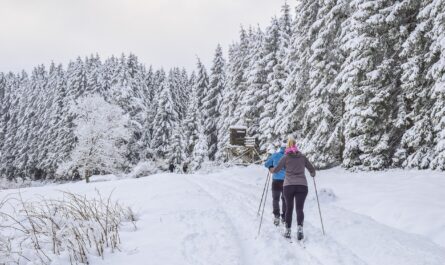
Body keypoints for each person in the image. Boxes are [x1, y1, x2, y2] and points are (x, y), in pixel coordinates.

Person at [271, 136, 316, 240]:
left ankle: (288, 231)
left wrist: (271, 169)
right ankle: (300, 228)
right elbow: (312, 169)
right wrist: (312, 174)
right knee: (300, 209)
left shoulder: (285, 157)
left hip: (288, 186)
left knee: (289, 208)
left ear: (287, 147)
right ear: (296, 146)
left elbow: (277, 169)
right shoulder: (302, 157)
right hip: (302, 186)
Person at [264, 141, 287, 226]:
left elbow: (266, 164)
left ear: (281, 148)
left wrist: (271, 167)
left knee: (275, 199)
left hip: (276, 181)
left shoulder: (275, 155)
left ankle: (276, 216)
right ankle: (284, 217)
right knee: (285, 199)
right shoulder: (289, 156)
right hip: (287, 181)